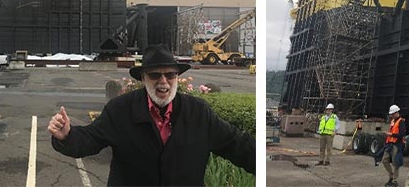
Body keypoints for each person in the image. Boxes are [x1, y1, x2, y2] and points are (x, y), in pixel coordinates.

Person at [47, 44, 255, 186]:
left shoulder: (198, 112)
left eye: (170, 75)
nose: (163, 81)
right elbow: (91, 139)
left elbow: (237, 144)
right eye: (155, 75)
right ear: (144, 78)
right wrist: (67, 136)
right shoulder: (120, 109)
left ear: (176, 77)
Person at [382, 104, 406, 186]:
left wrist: (390, 134)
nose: (391, 115)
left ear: (397, 113)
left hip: (397, 144)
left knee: (395, 163)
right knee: (384, 160)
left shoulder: (401, 121)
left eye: (392, 114)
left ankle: (394, 181)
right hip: (390, 144)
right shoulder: (392, 121)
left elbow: (402, 134)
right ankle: (391, 176)